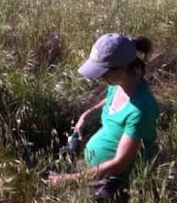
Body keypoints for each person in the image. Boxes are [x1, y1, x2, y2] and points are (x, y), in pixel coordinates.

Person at [48, 33, 158, 202]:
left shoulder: (143, 108)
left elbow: (120, 163)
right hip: (94, 170)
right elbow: (108, 99)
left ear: (124, 67)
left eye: (104, 72)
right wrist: (85, 116)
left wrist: (68, 180)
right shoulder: (119, 84)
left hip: (114, 181)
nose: (100, 77)